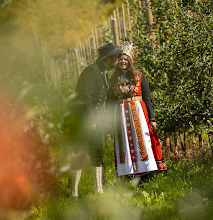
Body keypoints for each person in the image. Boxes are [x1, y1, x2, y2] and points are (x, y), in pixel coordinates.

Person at [69, 44, 122, 198]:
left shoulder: (103, 73)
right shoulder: (91, 71)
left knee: (97, 153)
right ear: (109, 59)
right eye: (116, 57)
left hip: (96, 121)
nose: (118, 60)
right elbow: (86, 97)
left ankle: (99, 191)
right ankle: (73, 193)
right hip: (83, 120)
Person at [108, 44, 167, 178]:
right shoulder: (113, 80)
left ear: (130, 62)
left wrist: (152, 118)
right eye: (121, 59)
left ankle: (146, 172)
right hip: (121, 116)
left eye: (125, 59)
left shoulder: (139, 76)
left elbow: (147, 97)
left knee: (142, 141)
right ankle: (127, 172)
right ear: (117, 62)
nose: (123, 62)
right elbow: (110, 101)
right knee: (124, 142)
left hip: (139, 114)